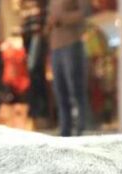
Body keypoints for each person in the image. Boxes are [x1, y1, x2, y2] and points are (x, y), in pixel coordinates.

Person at [47, 0, 89, 136]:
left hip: (72, 44)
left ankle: (82, 128)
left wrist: (61, 18)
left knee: (75, 89)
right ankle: (65, 130)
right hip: (55, 47)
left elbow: (84, 13)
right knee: (60, 91)